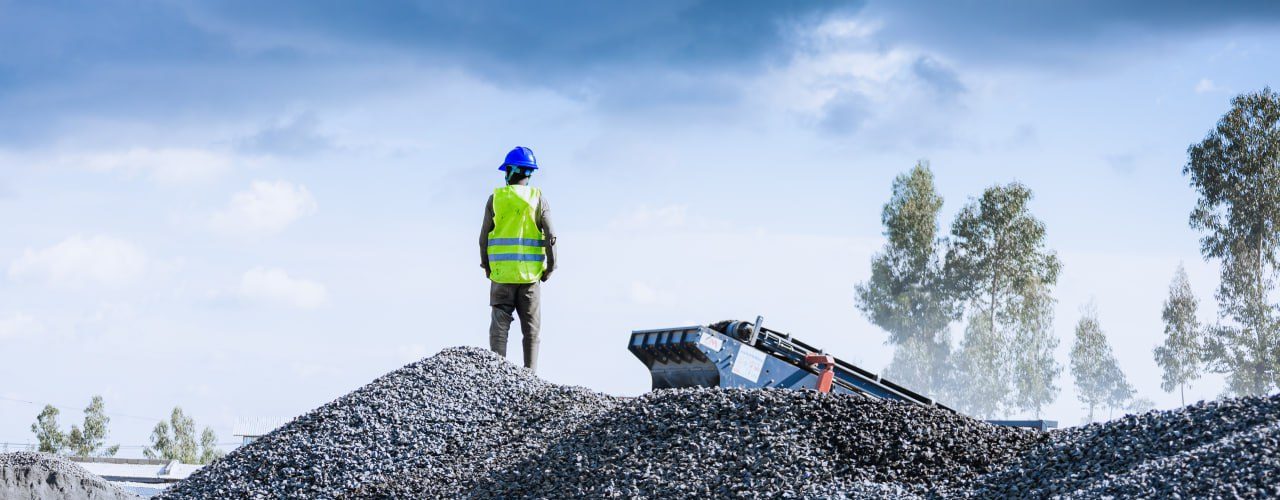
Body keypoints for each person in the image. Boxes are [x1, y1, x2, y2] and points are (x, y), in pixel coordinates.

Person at [480, 146, 556, 371]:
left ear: (510, 171)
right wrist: (550, 267)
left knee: (499, 328)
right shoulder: (538, 199)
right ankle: (530, 376)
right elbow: (551, 236)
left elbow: (483, 239)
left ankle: (498, 373)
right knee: (531, 331)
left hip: (501, 276)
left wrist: (487, 266)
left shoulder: (496, 199)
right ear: (529, 173)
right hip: (530, 278)